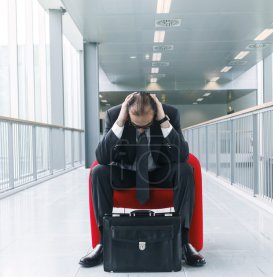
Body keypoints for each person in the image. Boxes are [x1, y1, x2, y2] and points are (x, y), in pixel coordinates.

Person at [79, 92, 206, 267]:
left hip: (159, 172)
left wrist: (163, 121)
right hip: (126, 173)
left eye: (145, 125)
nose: (140, 129)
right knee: (99, 171)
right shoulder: (115, 115)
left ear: (154, 114)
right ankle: (103, 243)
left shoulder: (169, 114)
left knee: (185, 170)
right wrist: (121, 122)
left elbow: (182, 155)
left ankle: (183, 242)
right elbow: (101, 157)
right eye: (135, 125)